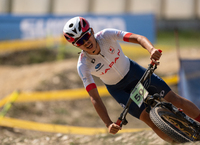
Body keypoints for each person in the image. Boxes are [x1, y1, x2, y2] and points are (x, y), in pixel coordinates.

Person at [63, 16, 200, 143]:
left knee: (174, 99)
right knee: (149, 120)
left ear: (91, 31)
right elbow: (95, 98)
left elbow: (138, 38)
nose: (86, 42)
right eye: (80, 41)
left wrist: (151, 50)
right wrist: (108, 123)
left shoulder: (106, 35)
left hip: (135, 73)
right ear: (75, 45)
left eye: (86, 36)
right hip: (120, 90)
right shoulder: (83, 65)